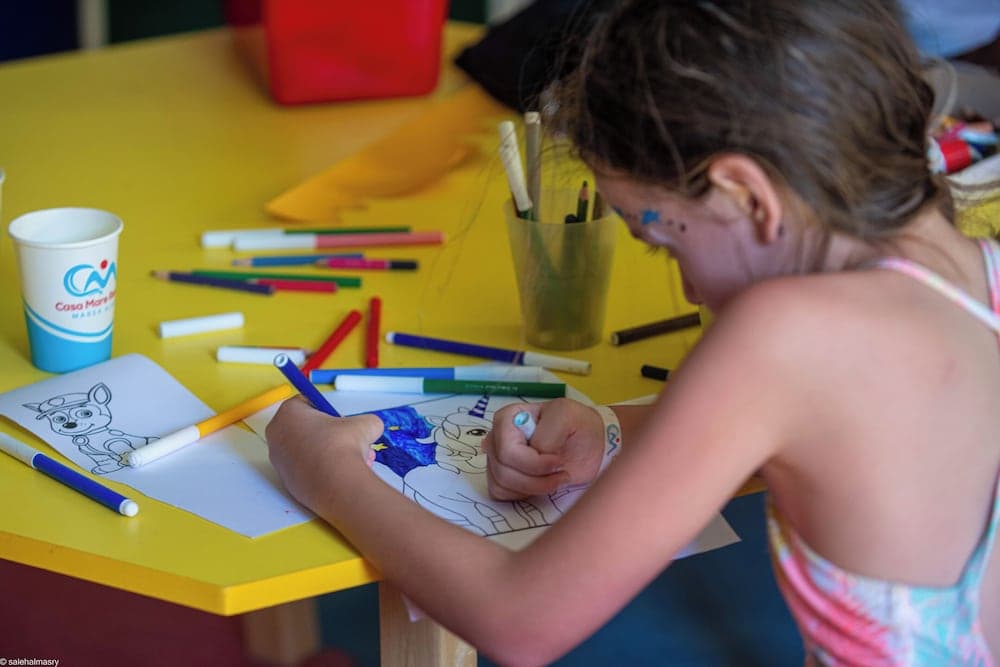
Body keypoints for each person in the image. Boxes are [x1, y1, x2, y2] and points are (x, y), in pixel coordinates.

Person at [265, 0, 1000, 663]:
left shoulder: (782, 336)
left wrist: (327, 471)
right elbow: (837, 433)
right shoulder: (978, 269)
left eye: (664, 242)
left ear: (746, 192)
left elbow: (518, 620)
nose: (687, 288)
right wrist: (609, 428)